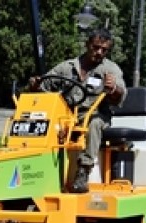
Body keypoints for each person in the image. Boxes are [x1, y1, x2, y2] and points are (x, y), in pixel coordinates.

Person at [30, 28, 127, 193]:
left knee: (94, 124)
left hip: (95, 114)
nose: (99, 52)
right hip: (67, 116)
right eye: (96, 47)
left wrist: (114, 89)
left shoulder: (110, 70)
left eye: (104, 50)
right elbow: (45, 84)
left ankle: (83, 172)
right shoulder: (67, 67)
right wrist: (35, 84)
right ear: (87, 44)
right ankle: (36, 172)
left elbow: (120, 97)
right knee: (40, 121)